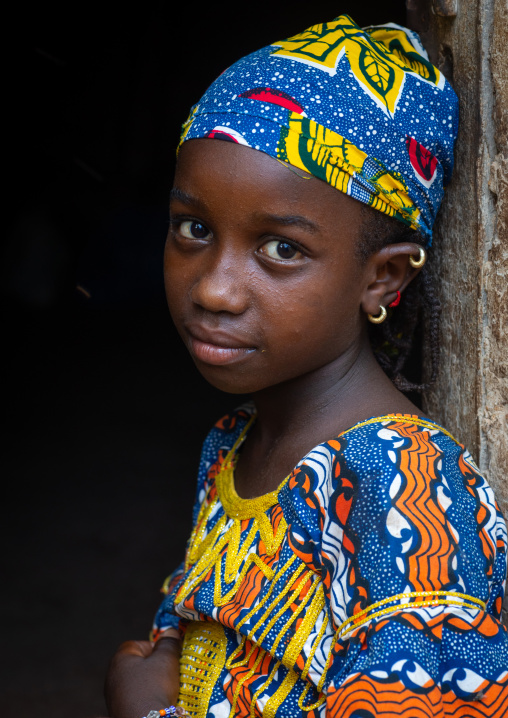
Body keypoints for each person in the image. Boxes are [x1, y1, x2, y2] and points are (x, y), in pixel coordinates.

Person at [104, 14, 508, 718]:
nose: (214, 289)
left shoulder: (404, 497)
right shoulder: (236, 443)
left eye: (280, 249)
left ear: (381, 279)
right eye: (194, 230)